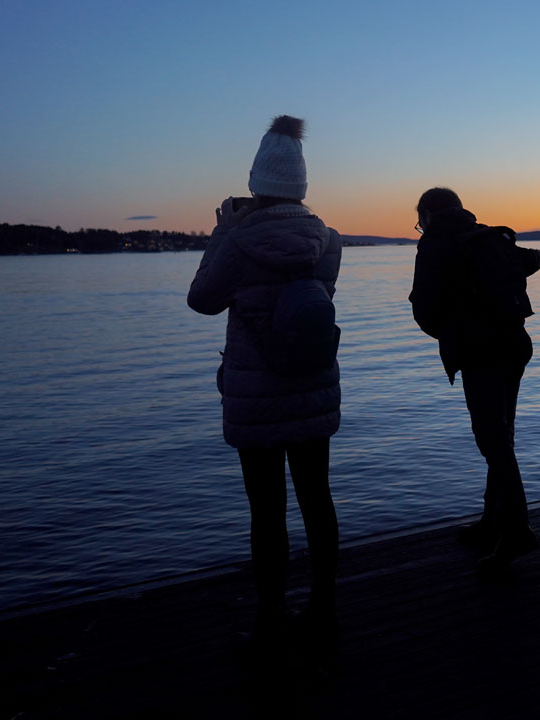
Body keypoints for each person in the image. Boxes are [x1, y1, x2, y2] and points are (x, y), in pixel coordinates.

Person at [187, 115, 342, 660]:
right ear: (301, 184)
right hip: (313, 382)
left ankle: (272, 613)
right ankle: (324, 603)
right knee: (317, 498)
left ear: (256, 182)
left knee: (267, 509)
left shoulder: (240, 239)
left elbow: (202, 299)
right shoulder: (329, 240)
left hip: (257, 393)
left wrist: (225, 229)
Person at [408, 187, 540, 574]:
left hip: (480, 351)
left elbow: (424, 309)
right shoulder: (488, 235)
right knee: (502, 434)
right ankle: (492, 521)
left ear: (429, 215)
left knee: (492, 439)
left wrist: (452, 331)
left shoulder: (435, 244)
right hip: (515, 343)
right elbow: (534, 257)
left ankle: (515, 528)